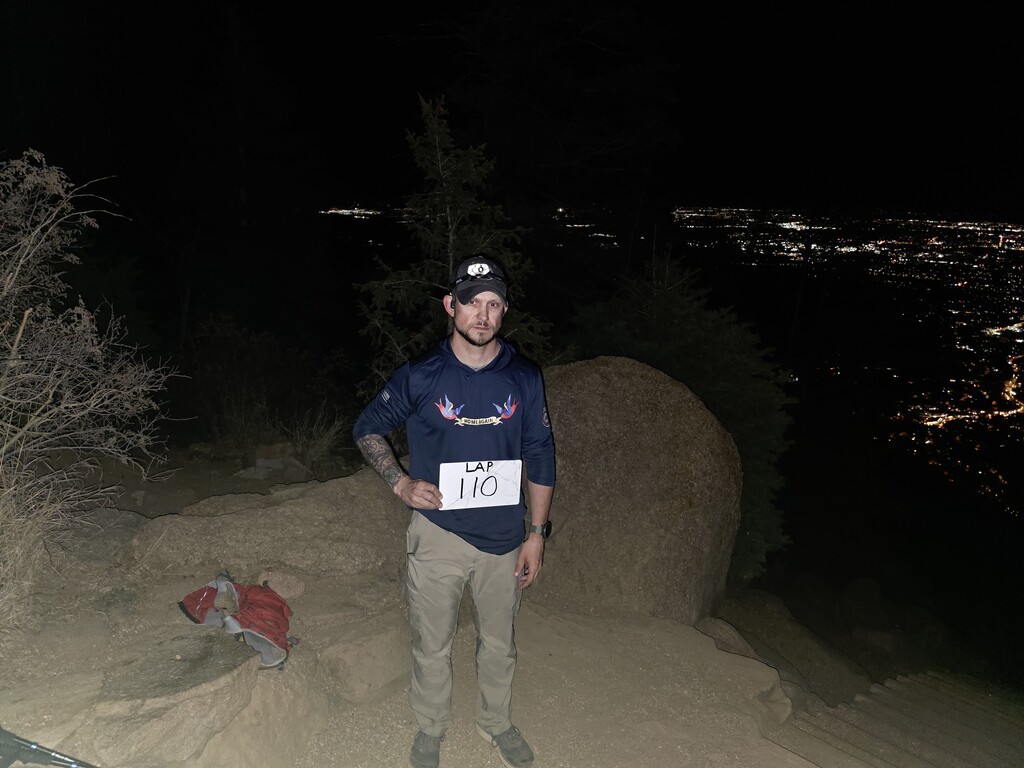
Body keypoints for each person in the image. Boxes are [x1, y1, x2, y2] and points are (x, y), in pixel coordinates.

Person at [353, 254, 555, 768]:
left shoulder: (525, 378)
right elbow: (367, 428)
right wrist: (400, 483)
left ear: (504, 310)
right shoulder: (421, 376)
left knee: (499, 643)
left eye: (493, 304)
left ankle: (496, 722)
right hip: (438, 532)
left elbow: (540, 454)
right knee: (432, 642)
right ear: (451, 306)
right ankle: (430, 727)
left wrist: (536, 533)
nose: (481, 315)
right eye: (471, 303)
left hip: (504, 538)